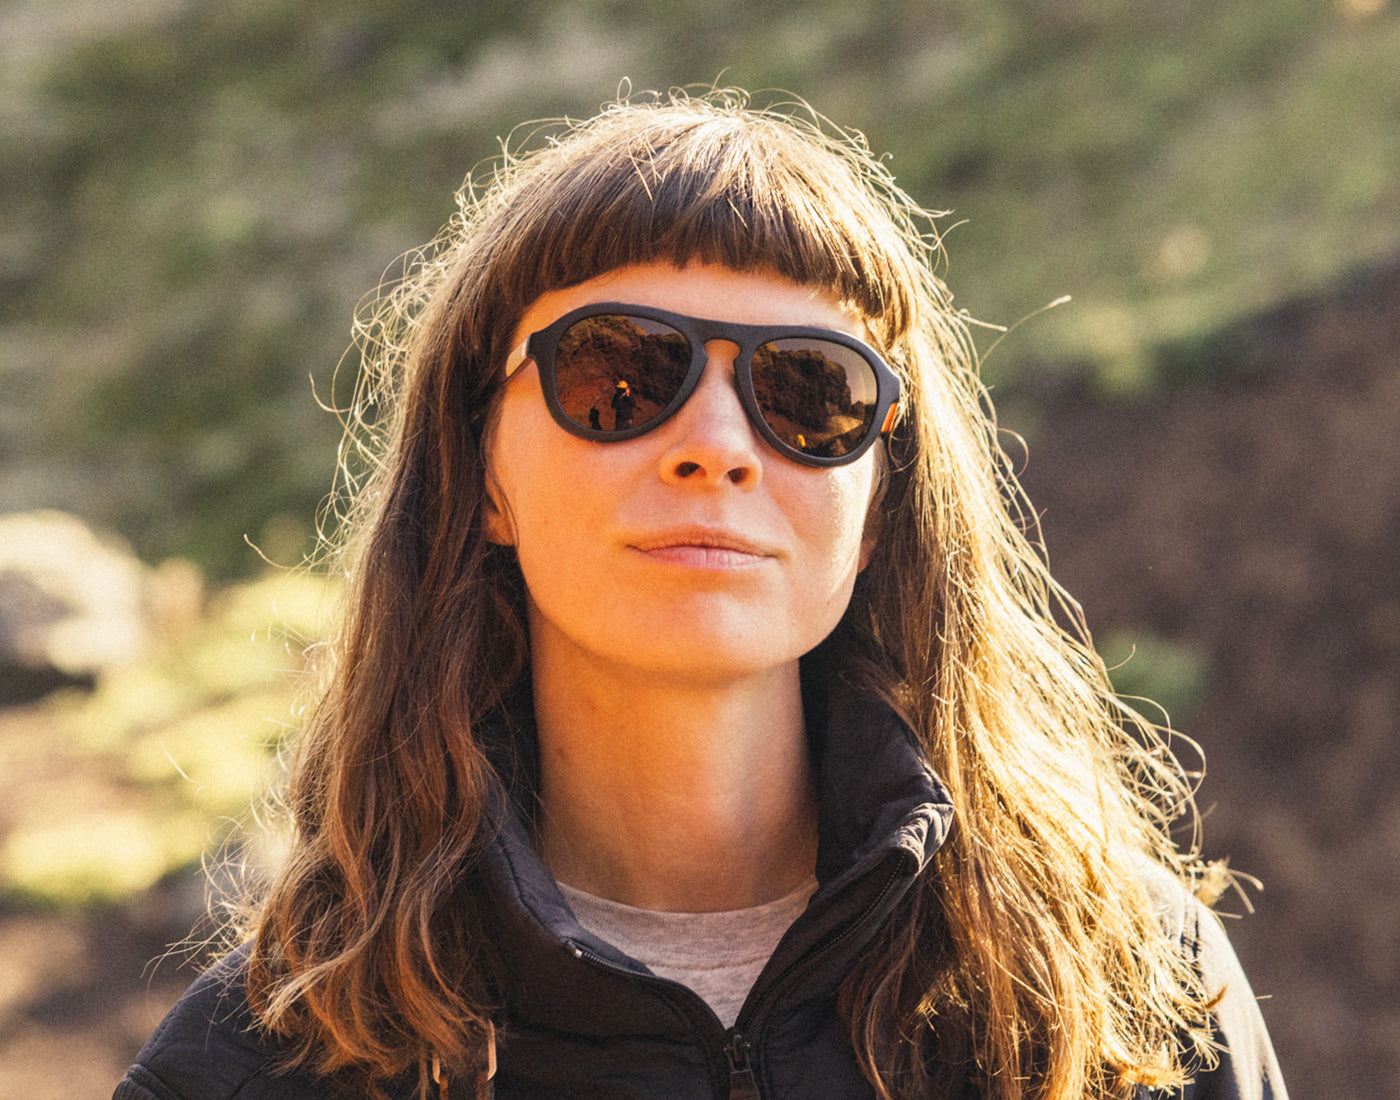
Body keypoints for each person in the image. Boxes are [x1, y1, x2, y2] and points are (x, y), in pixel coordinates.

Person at [114, 90, 1288, 1100]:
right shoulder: (267, 1064)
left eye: (808, 392)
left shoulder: (1119, 995)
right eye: (617, 372)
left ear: (880, 503)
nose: (717, 446)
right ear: (479, 472)